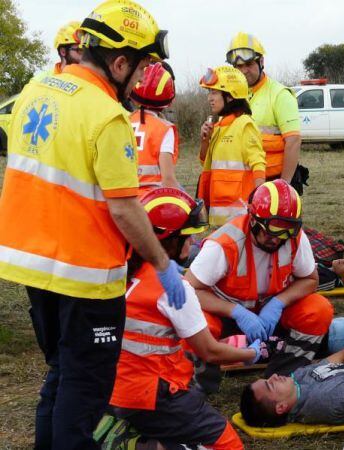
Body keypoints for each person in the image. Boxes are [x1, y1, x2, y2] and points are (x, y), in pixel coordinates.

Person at [0, 2, 185, 448]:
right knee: (83, 396)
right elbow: (124, 210)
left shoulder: (37, 88)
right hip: (84, 277)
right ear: (119, 62)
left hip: (31, 265)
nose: (143, 81)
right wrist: (162, 264)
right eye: (141, 68)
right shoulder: (106, 116)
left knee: (60, 375)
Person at [110, 188, 257, 450]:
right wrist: (251, 354)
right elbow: (209, 352)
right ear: (168, 241)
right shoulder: (174, 289)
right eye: (187, 238)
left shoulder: (120, 271)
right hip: (151, 396)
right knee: (227, 442)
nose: (192, 245)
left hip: (112, 388)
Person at [185, 180, 334, 376]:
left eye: (286, 231)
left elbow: (310, 279)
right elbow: (189, 289)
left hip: (269, 316)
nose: (278, 239)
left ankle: (285, 377)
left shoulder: (294, 239)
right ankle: (198, 385)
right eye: (272, 230)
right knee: (198, 323)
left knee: (318, 310)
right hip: (226, 316)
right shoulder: (225, 244)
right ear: (253, 219)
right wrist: (236, 312)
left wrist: (279, 303)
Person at [226, 32, 304, 193]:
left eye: (248, 65)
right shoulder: (231, 96)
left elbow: (293, 141)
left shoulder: (279, 94)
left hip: (273, 181)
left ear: (261, 62)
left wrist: (284, 187)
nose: (244, 71)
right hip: (241, 183)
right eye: (239, 67)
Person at [198, 65, 265, 226]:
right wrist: (205, 141)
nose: (210, 98)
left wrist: (261, 207)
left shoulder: (245, 125)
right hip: (219, 219)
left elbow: (258, 165)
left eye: (214, 92)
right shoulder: (220, 125)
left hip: (241, 220)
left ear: (230, 96)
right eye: (209, 93)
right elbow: (205, 163)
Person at [130, 62, 180, 195]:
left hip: (127, 198)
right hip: (153, 201)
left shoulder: (124, 121)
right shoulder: (164, 129)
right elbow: (168, 179)